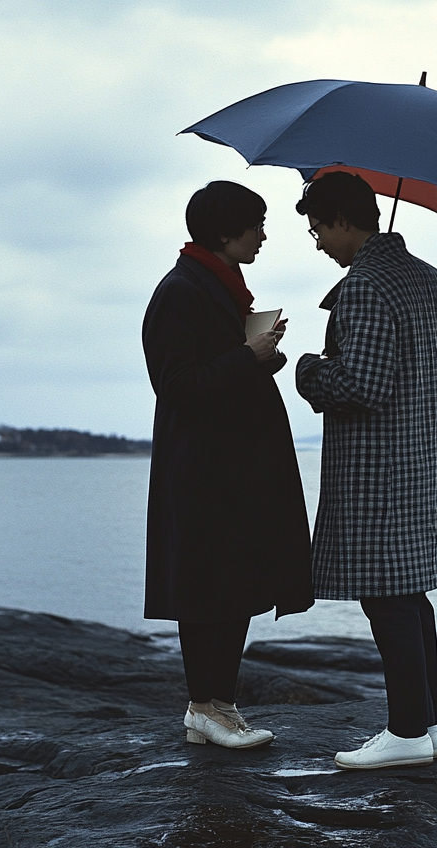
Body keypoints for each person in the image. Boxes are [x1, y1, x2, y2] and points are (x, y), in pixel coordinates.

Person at [142, 180, 314, 749]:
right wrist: (249, 355)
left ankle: (222, 705)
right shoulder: (180, 291)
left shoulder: (219, 286)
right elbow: (178, 386)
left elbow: (219, 370)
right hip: (202, 470)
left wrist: (259, 349)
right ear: (224, 230)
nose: (264, 235)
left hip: (231, 468)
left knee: (234, 585)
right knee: (206, 588)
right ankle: (201, 707)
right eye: (256, 224)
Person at [294, 171, 437, 770]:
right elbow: (436, 366)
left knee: (386, 598)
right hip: (421, 461)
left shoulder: (364, 286)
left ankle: (408, 729)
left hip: (374, 470)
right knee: (409, 596)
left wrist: (308, 368)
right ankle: (427, 724)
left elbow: (362, 384)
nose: (316, 241)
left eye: (317, 228)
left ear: (342, 220)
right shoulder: (435, 283)